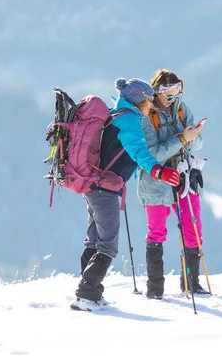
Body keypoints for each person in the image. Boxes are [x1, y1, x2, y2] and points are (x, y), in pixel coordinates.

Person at [72, 77, 181, 311]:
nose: (152, 104)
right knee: (108, 245)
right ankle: (87, 295)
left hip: (94, 186)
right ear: (140, 99)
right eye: (149, 100)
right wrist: (158, 171)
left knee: (94, 240)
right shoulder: (130, 121)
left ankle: (90, 291)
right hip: (105, 190)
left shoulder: (116, 114)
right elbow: (138, 151)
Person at [137, 68, 208, 299]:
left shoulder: (180, 109)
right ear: (156, 91)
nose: (172, 95)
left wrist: (193, 136)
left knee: (193, 228)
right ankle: (155, 289)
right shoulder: (147, 116)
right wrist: (182, 139)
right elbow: (152, 154)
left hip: (184, 176)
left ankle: (191, 283)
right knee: (157, 232)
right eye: (167, 90)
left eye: (177, 90)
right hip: (156, 179)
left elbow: (197, 144)